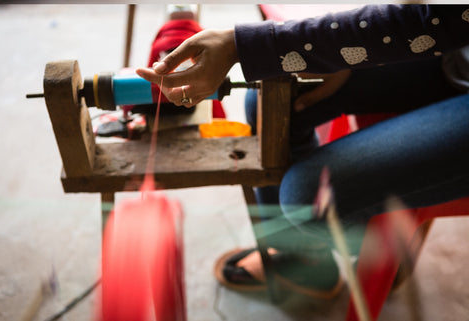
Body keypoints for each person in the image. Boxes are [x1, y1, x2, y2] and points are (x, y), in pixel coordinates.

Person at [137, 4, 469, 299]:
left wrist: (241, 45)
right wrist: (341, 51)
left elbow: (439, 20)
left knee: (306, 197)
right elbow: (430, 19)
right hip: (458, 49)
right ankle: (301, 256)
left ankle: (378, 247)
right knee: (272, 97)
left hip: (453, 39)